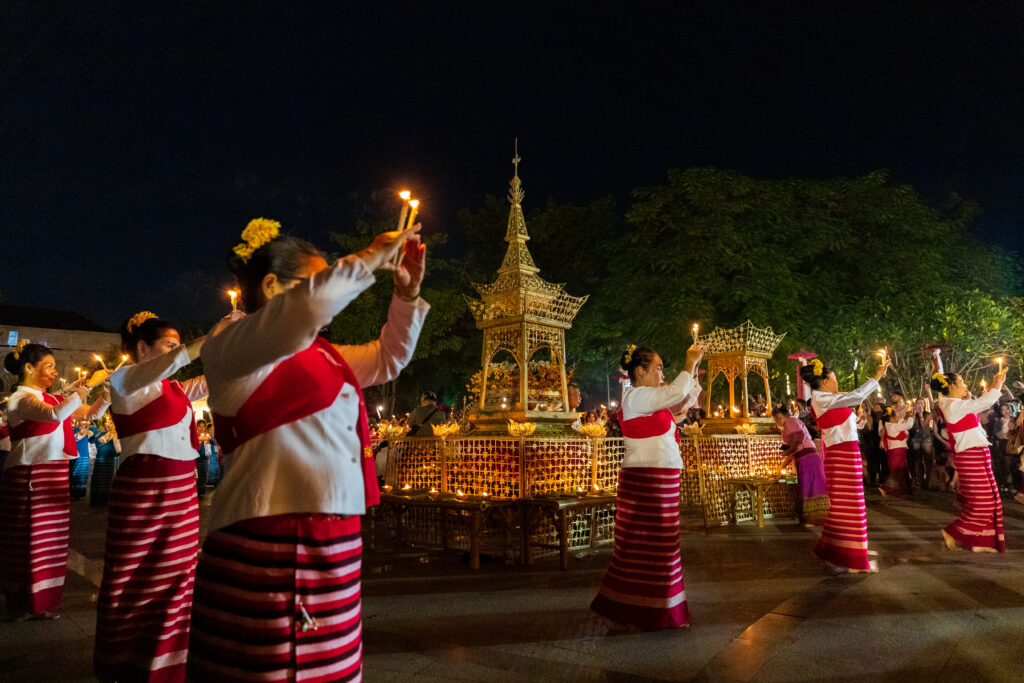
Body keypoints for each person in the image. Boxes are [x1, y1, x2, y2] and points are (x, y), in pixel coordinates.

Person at [187, 218, 428, 681]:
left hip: (333, 535)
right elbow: (304, 311)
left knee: (329, 665)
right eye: (316, 279)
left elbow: (388, 357)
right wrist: (371, 257)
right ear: (273, 285)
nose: (326, 297)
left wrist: (407, 296)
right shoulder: (228, 347)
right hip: (267, 536)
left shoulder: (324, 354)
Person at [93, 311, 212, 682]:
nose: (177, 352)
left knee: (178, 575)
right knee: (135, 575)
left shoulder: (174, 388)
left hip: (181, 488)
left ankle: (165, 663)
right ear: (142, 348)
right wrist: (208, 338)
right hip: (144, 488)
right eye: (169, 345)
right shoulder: (125, 380)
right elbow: (180, 360)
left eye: (178, 345)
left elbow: (211, 379)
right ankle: (123, 658)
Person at [591, 342, 703, 631]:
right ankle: (637, 612)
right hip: (647, 479)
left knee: (657, 547)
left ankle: (651, 611)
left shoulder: (646, 401)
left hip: (658, 477)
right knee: (647, 548)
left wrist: (690, 385)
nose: (662, 374)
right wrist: (689, 363)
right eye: (659, 368)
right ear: (639, 371)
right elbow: (675, 393)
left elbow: (677, 403)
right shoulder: (637, 396)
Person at [1, 342, 109, 619]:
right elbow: (53, 415)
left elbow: (86, 415)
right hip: (30, 474)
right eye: (48, 366)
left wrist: (104, 396)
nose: (53, 372)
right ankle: (18, 601)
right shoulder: (20, 398)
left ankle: (42, 602)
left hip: (51, 472)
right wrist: (83, 388)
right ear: (28, 368)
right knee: (25, 541)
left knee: (49, 542)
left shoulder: (47, 398)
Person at [801, 356, 890, 573]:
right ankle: (852, 558)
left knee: (846, 506)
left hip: (848, 453)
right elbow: (856, 395)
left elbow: (853, 406)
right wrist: (877, 376)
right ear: (824, 382)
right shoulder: (821, 399)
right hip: (840, 456)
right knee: (850, 506)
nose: (837, 382)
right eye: (834, 379)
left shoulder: (831, 399)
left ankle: (836, 552)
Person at [932, 368, 1007, 553]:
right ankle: (954, 532)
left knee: (993, 500)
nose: (965, 385)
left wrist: (991, 387)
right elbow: (984, 403)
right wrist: (998, 384)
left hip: (979, 452)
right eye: (962, 382)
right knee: (983, 501)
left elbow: (979, 405)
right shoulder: (951, 405)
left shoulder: (956, 403)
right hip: (970, 455)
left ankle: (981, 541)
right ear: (951, 386)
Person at [772, 405, 828, 526]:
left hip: (808, 459)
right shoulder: (786, 428)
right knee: (807, 488)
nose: (778, 421)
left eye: (779, 418)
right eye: (776, 419)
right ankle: (812, 519)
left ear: (784, 416)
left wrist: (788, 451)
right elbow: (790, 450)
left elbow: (799, 438)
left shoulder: (792, 421)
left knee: (811, 488)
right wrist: (781, 466)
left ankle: (815, 519)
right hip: (803, 459)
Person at [879, 404, 914, 498]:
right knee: (897, 472)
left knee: (902, 471)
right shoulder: (891, 426)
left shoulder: (893, 425)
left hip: (899, 450)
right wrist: (910, 417)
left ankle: (902, 491)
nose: (897, 418)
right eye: (895, 416)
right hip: (896, 451)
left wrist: (905, 413)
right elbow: (908, 425)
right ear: (890, 419)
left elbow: (902, 424)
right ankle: (884, 488)